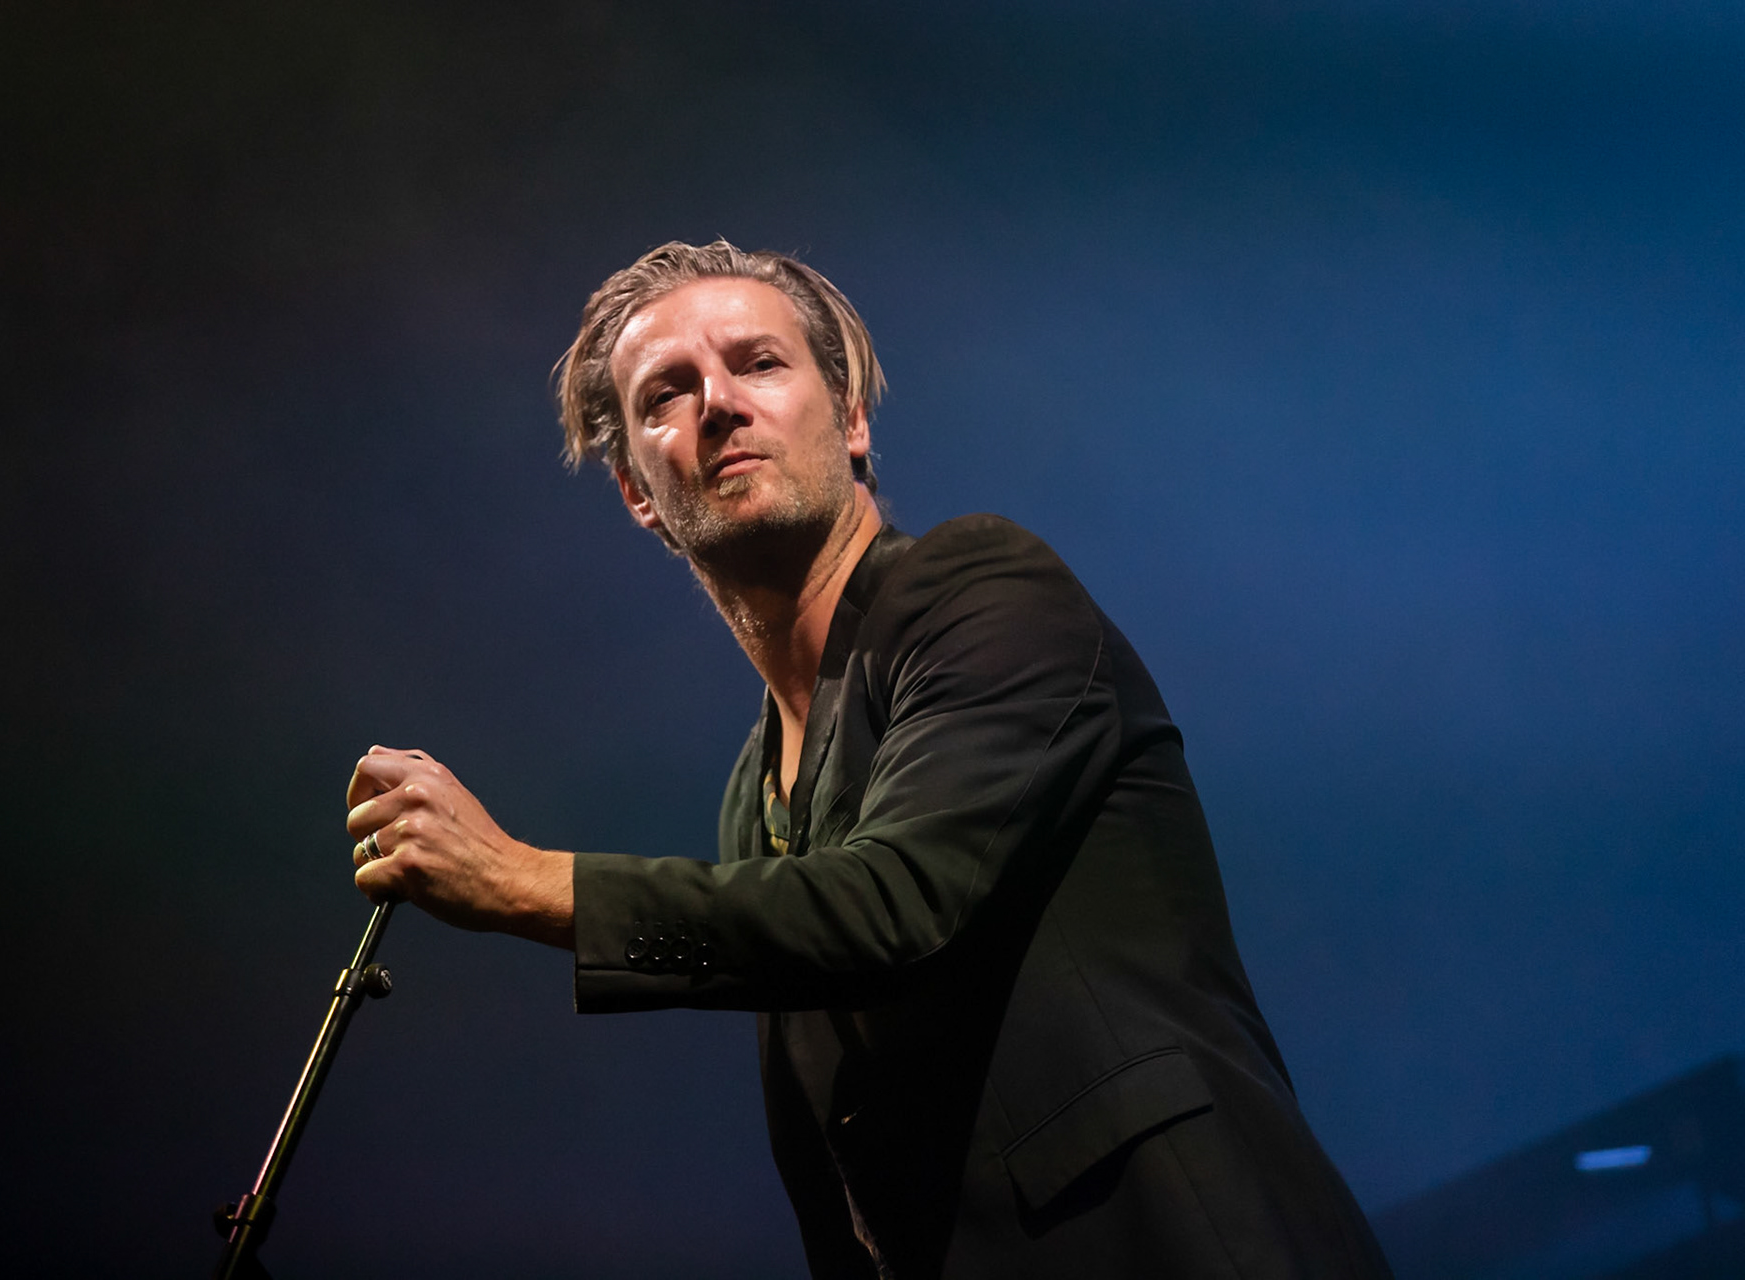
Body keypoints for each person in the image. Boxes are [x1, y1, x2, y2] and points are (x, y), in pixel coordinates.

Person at [344, 240, 1392, 1278]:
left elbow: (894, 904)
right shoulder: (750, 796)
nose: (718, 401)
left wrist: (523, 879)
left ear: (849, 420)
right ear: (636, 490)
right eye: (668, 388)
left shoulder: (982, 589)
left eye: (758, 362)